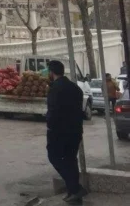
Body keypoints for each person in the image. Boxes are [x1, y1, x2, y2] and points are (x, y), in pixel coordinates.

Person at [46, 60, 87, 205]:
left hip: (59, 132)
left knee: (54, 157)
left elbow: (53, 111)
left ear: (51, 72)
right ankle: (73, 193)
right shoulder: (76, 88)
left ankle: (75, 189)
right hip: (75, 131)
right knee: (70, 159)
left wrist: (49, 125)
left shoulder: (55, 89)